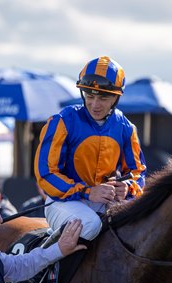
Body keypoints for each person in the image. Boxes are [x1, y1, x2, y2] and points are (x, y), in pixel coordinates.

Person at [34, 55, 146, 248]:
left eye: (103, 98)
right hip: (62, 202)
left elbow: (138, 172)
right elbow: (45, 173)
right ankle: (44, 265)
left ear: (116, 98)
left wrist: (128, 186)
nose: (95, 104)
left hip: (105, 201)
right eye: (90, 96)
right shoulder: (63, 121)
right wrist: (86, 191)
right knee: (91, 226)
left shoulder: (126, 127)